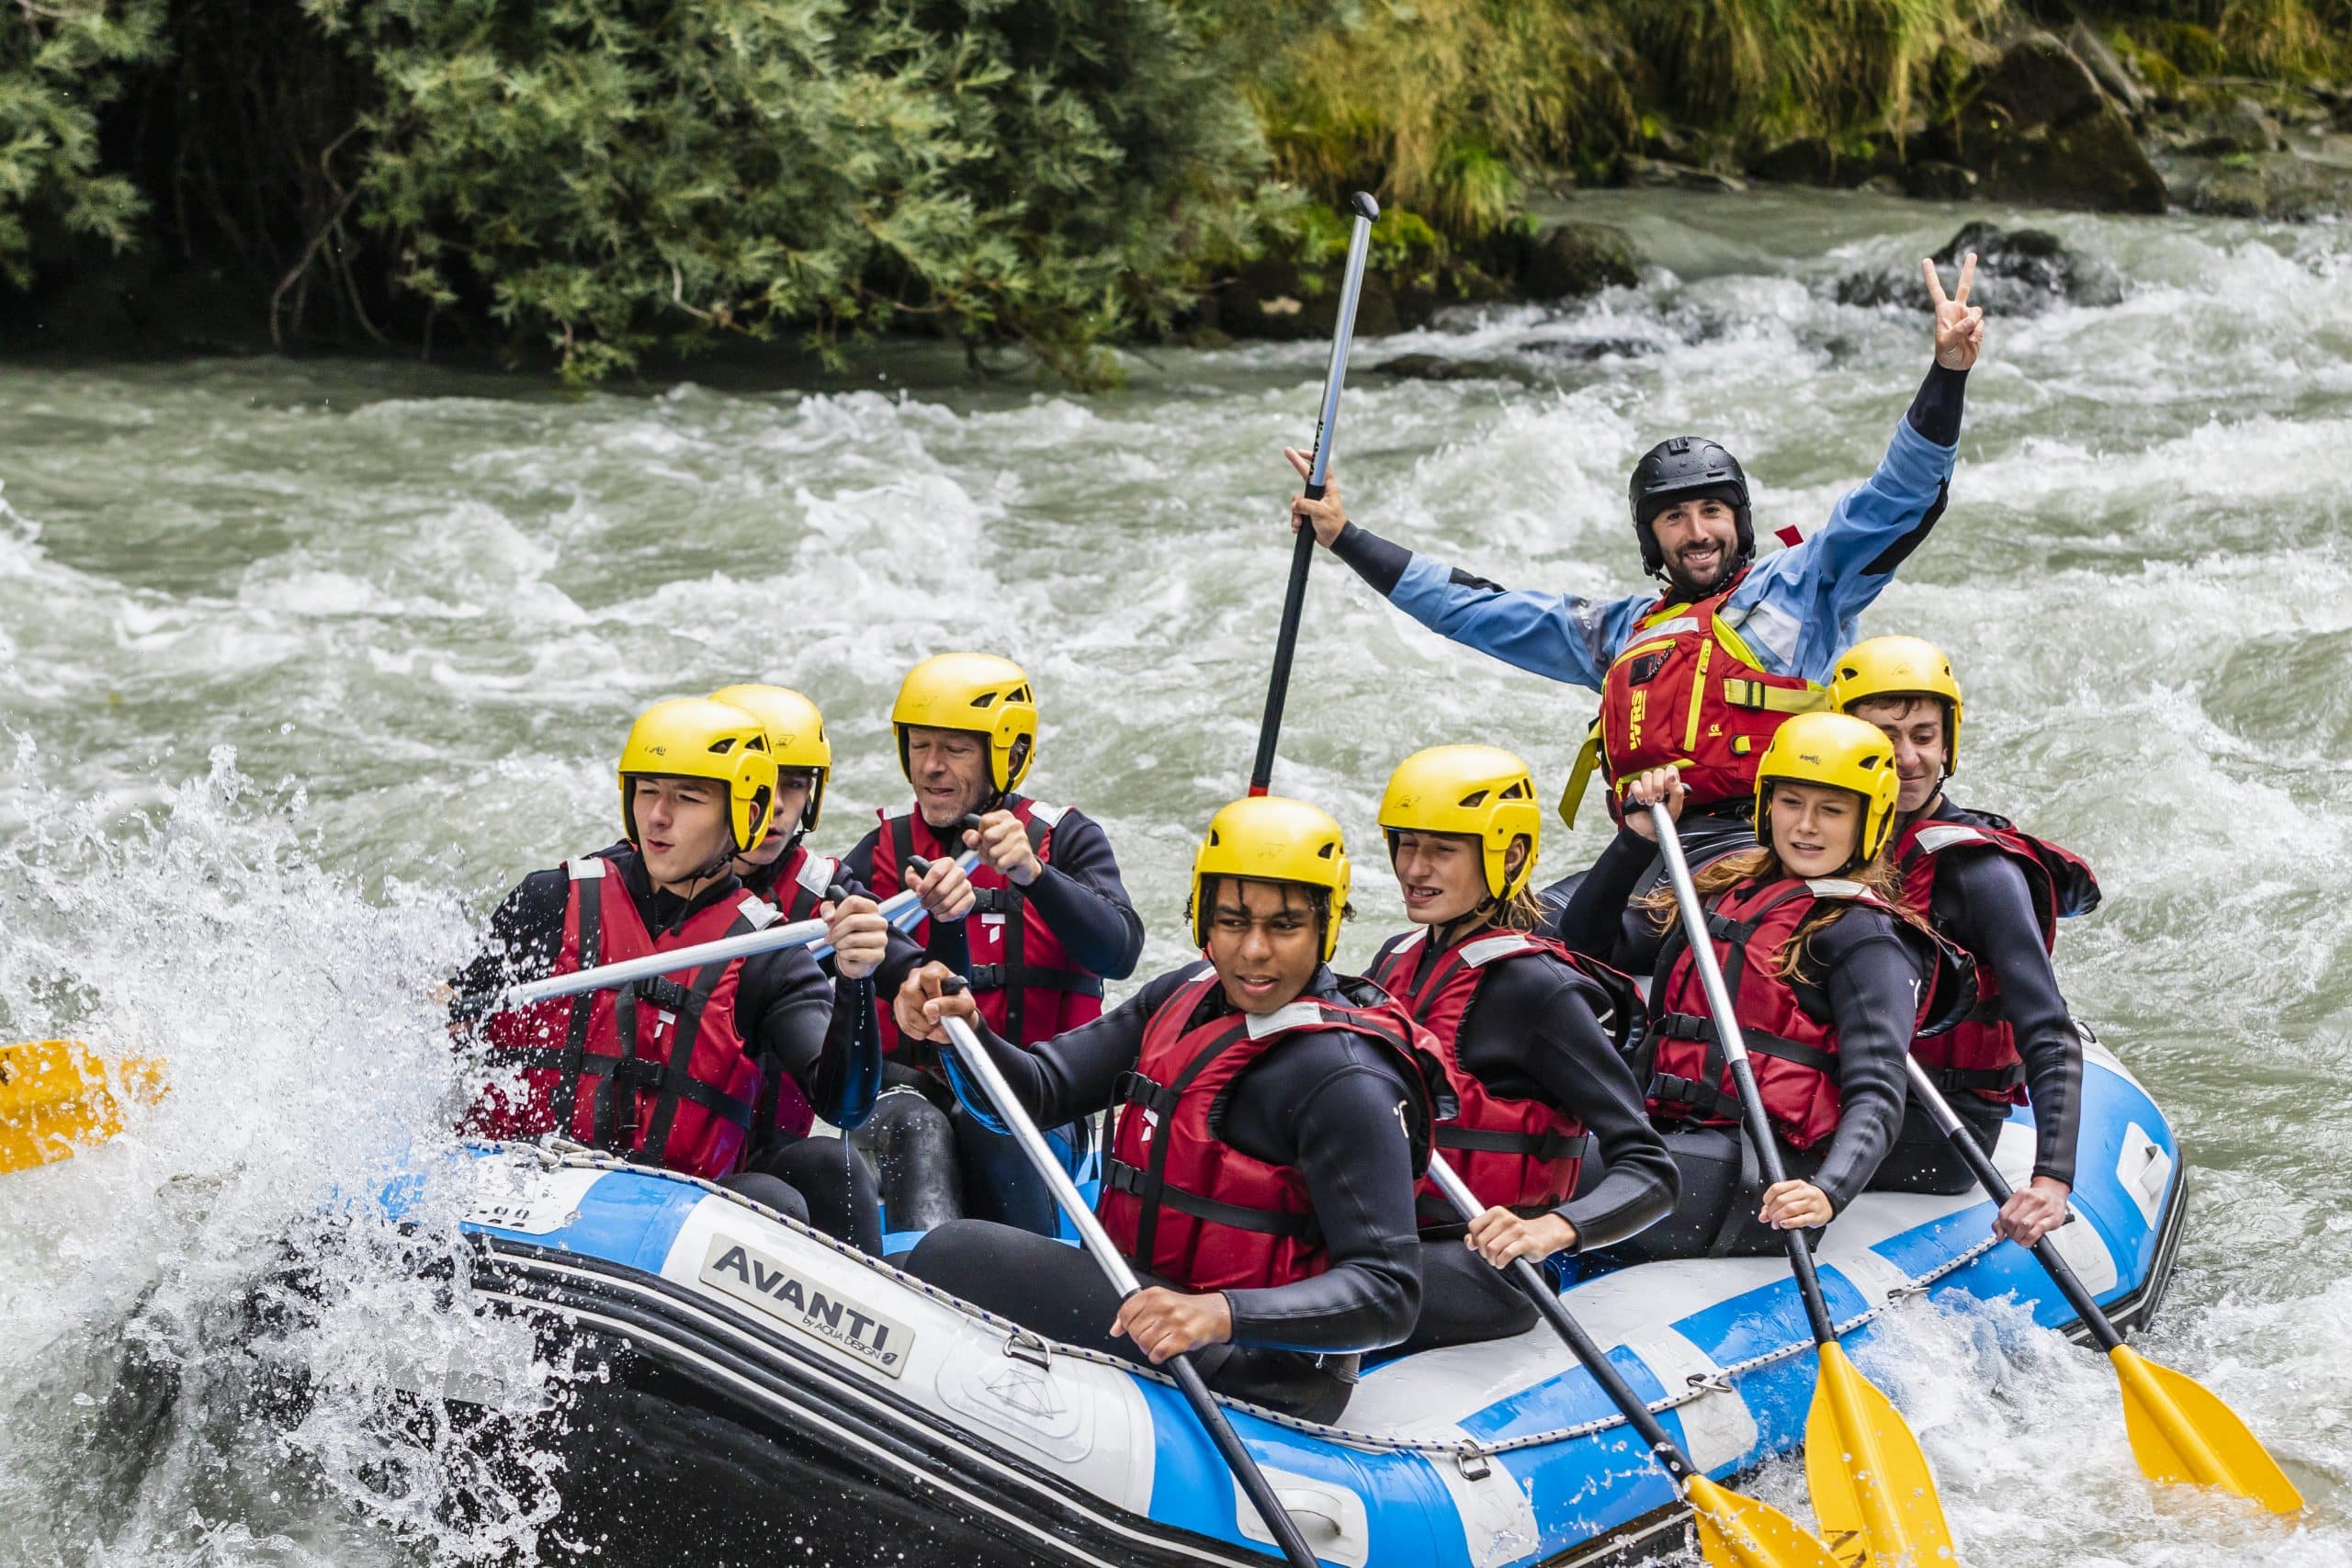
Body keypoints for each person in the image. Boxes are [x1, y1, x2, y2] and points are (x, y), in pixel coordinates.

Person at [1282, 255, 1989, 930]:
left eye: (1712, 511)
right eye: (1675, 518)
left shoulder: (1806, 586)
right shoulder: (1622, 631)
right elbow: (1474, 608)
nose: (1698, 532)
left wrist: (1947, 374)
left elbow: (1895, 499)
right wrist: (1346, 535)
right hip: (1652, 850)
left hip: (1780, 842)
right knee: (1504, 934)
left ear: (1738, 523)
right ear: (1655, 541)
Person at [895, 796, 1442, 1422]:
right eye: (1233, 921)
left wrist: (1219, 1312)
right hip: (1151, 1300)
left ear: (1325, 927)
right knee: (924, 1263)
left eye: (1284, 925)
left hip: (1266, 1365)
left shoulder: (1346, 1077)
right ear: (1204, 918)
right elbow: (1039, 1090)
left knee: (955, 1253)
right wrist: (964, 1032)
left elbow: (1390, 1291)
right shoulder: (1183, 994)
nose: (1254, 950)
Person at [452, 696, 889, 1246]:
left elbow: (844, 1104)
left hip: (659, 1223)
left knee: (785, 1195)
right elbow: (451, 1038)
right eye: (647, 791)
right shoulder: (550, 899)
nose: (658, 816)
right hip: (511, 1194)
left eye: (686, 798)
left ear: (746, 811)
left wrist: (855, 979)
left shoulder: (767, 954)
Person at [1557, 712, 1961, 1260]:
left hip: (1760, 1171)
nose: (1806, 826)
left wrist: (1828, 1191)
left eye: (1832, 810)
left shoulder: (1866, 936)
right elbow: (1586, 945)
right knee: (1528, 1151)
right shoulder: (1726, 889)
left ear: (1872, 817)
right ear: (1767, 805)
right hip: (1669, 1129)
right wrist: (1636, 842)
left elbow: (1878, 1090)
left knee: (1551, 1175)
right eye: (1792, 803)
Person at [1367, 746, 1677, 1352]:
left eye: (1442, 849)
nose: (1415, 867)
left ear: (1508, 853)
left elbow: (1652, 1168)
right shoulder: (1394, 958)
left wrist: (1553, 1229)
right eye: (1406, 843)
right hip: (1387, 1236)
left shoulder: (1539, 991)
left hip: (1483, 1267)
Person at [845, 652, 1143, 1238]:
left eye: (955, 749)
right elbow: (829, 950)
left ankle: (1022, 1292)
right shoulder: (880, 851)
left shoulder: (1067, 841)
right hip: (912, 1095)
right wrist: (900, 970)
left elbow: (1121, 951)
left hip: (1039, 1095)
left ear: (1006, 754)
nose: (931, 767)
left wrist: (1036, 876)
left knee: (988, 1119)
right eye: (920, 745)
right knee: (917, 1126)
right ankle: (917, 1291)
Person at [1829, 636, 2100, 1246]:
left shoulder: (1982, 874)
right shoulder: (1823, 836)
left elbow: (2048, 1030)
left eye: (1923, 736)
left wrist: (2051, 1181)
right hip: (1844, 1092)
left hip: (1938, 1124)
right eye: (1884, 738)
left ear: (1948, 742)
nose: (1907, 757)